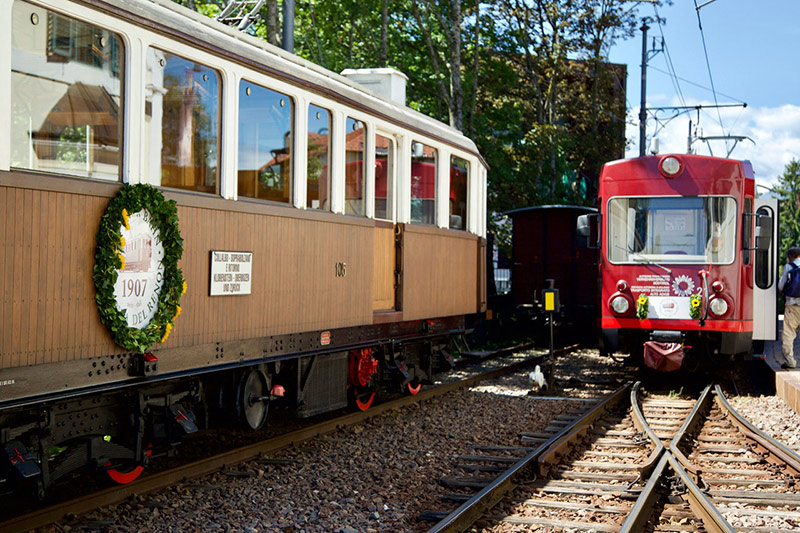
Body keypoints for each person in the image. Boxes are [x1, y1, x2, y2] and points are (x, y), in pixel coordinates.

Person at [778, 247, 800, 369]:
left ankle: (790, 362)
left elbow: (781, 286)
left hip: (793, 306)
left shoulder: (789, 267)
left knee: (788, 334)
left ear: (790, 256)